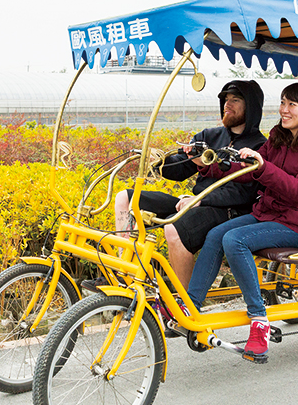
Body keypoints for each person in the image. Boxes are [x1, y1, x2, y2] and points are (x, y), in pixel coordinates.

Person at [186, 81, 298, 363]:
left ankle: (259, 321)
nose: (283, 110)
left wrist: (264, 167)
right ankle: (190, 308)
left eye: (292, 105)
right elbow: (248, 169)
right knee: (216, 234)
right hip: (270, 213)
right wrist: (207, 164)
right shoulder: (280, 138)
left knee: (235, 240)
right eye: (282, 102)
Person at [113, 79, 266, 290]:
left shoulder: (260, 147)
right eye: (225, 100)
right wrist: (158, 162)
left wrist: (200, 200)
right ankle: (126, 274)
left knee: (173, 228)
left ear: (251, 106)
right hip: (195, 202)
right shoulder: (208, 136)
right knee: (126, 199)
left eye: (235, 100)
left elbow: (245, 192)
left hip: (230, 211)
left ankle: (185, 302)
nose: (227, 105)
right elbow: (180, 170)